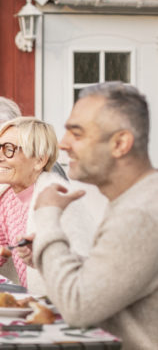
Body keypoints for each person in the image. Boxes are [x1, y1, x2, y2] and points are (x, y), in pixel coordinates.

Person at [31, 82, 158, 349]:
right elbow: (114, 277)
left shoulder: (139, 213)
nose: (63, 144)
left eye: (77, 134)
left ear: (120, 143)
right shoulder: (139, 198)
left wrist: (47, 216)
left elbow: (78, 306)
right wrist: (55, 253)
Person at [0, 117, 95, 293]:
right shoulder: (7, 196)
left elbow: (83, 274)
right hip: (35, 302)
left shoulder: (56, 199)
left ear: (39, 160)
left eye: (9, 149)